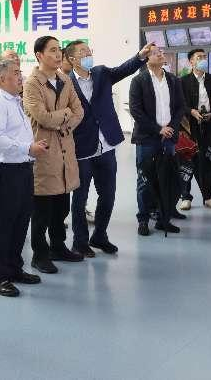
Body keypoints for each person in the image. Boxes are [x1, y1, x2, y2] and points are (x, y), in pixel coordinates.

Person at [65, 40, 151, 257]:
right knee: (80, 199)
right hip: (82, 149)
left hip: (107, 145)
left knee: (108, 195)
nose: (88, 54)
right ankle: (80, 242)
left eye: (89, 50)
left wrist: (140, 56)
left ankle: (100, 235)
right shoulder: (65, 83)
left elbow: (123, 70)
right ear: (72, 59)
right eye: (83, 52)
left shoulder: (101, 73)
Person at [0, 60, 48, 297]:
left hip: (21, 168)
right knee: (2, 225)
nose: (21, 77)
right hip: (5, 171)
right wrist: (27, 148)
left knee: (20, 221)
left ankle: (14, 268)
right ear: (1, 79)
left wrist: (29, 148)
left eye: (20, 72)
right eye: (16, 73)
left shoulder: (14, 100)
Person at [23, 36, 84, 274]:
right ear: (39, 55)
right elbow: (43, 117)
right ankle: (40, 254)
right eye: (53, 50)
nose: (59, 54)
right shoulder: (32, 83)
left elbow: (79, 111)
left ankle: (58, 247)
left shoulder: (64, 79)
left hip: (65, 149)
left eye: (59, 50)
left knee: (61, 206)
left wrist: (62, 121)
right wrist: (65, 115)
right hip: (44, 150)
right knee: (42, 210)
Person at [129, 46, 187, 236]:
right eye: (155, 53)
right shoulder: (139, 80)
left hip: (169, 138)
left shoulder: (173, 80)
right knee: (145, 180)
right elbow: (136, 110)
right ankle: (143, 220)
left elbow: (180, 107)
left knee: (167, 178)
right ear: (147, 58)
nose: (160, 54)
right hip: (147, 139)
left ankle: (164, 218)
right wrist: (158, 129)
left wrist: (171, 127)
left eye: (161, 51)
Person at [180, 48, 211, 210]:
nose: (203, 59)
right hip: (189, 127)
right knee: (187, 161)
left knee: (209, 161)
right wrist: (191, 111)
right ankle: (186, 196)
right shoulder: (183, 81)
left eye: (205, 57)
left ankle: (208, 196)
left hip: (209, 126)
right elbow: (180, 104)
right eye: (199, 57)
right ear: (191, 61)